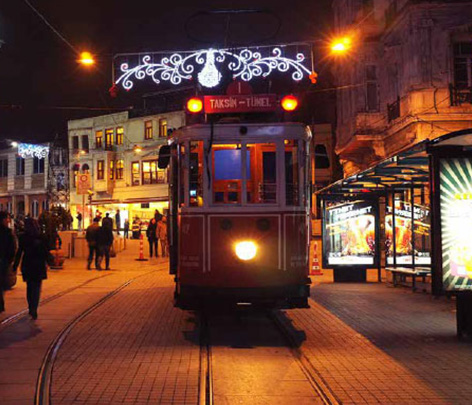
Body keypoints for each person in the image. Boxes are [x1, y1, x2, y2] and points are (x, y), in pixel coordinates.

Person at [13, 218, 49, 320]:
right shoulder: (41, 237)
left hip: (28, 265)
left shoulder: (23, 237)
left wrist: (15, 266)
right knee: (37, 288)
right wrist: (49, 261)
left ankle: (31, 307)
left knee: (29, 287)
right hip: (38, 265)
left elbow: (19, 252)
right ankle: (34, 308)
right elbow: (45, 251)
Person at [0, 212, 16, 313]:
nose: (8, 221)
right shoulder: (7, 233)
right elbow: (12, 249)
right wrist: (9, 260)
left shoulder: (8, 232)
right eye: (7, 219)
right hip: (3, 262)